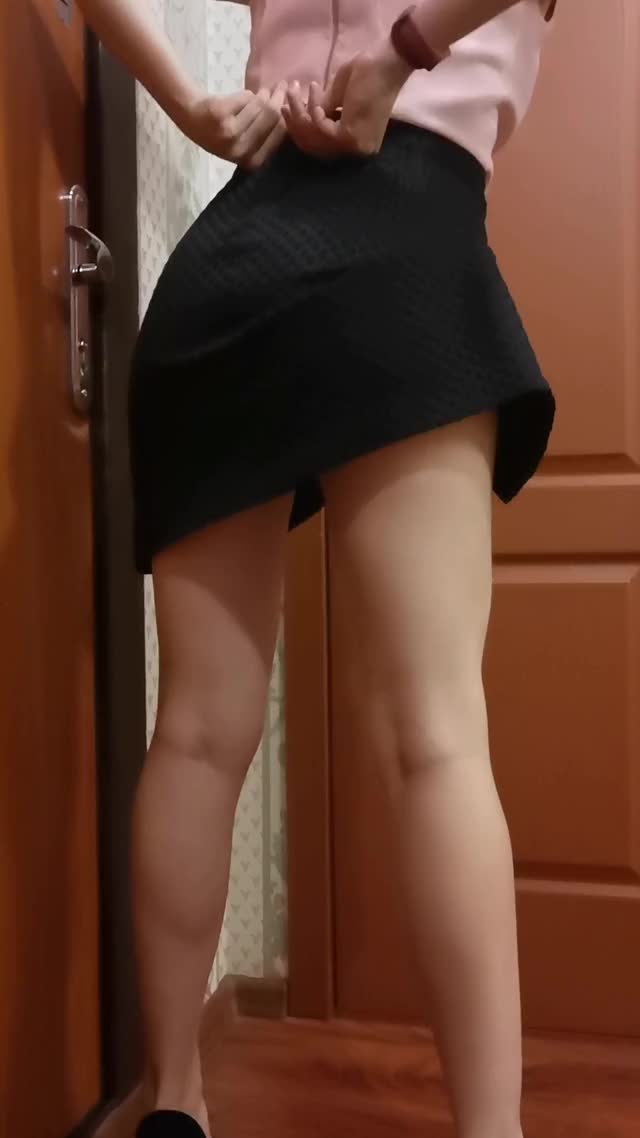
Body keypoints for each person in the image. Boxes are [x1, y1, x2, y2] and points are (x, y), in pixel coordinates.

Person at [79, 2, 558, 1137]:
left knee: (196, 731)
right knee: (434, 736)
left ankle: (175, 1104)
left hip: (228, 270)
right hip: (404, 241)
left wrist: (190, 104)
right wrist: (401, 53)